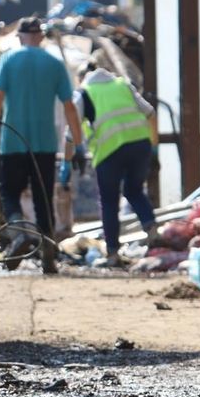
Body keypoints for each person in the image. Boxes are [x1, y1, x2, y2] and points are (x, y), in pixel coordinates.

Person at [0, 16, 85, 273]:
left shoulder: (8, 60)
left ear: (19, 36)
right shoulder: (55, 64)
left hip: (12, 140)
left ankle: (21, 231)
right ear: (41, 36)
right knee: (43, 200)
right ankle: (48, 255)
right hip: (45, 143)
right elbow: (70, 107)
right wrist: (78, 144)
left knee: (9, 195)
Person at [63, 63, 158, 268]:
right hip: (140, 144)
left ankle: (113, 254)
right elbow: (150, 113)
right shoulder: (122, 85)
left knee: (109, 201)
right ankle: (152, 232)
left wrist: (66, 163)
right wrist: (155, 147)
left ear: (82, 78)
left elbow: (70, 134)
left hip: (110, 151)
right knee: (134, 191)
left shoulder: (83, 93)